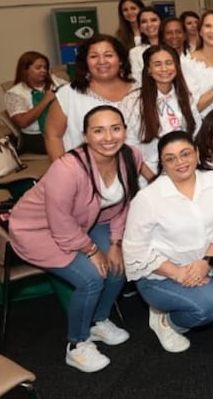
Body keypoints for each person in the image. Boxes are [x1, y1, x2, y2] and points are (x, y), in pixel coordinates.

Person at [8, 105, 140, 372]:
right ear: (85, 136)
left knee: (119, 266)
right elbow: (59, 222)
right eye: (98, 130)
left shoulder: (130, 156)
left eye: (115, 128)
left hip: (86, 221)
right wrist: (92, 250)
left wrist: (115, 243)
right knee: (91, 279)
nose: (108, 137)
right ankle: (76, 344)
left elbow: (123, 204)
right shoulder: (67, 168)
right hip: (39, 229)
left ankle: (99, 321)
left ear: (125, 131)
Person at [124, 131, 213, 353]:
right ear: (162, 164)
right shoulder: (148, 198)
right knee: (212, 306)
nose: (180, 162)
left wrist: (206, 263)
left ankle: (194, 299)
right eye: (170, 158)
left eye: (185, 154)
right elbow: (134, 251)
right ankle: (165, 322)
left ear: (196, 154)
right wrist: (180, 273)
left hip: (209, 266)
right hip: (163, 274)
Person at [45, 35, 136, 161]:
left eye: (108, 55)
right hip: (83, 174)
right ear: (86, 63)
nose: (102, 61)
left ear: (120, 60)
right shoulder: (68, 94)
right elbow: (53, 136)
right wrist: (63, 171)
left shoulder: (140, 91)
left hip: (139, 174)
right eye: (94, 56)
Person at [120, 45, 198, 179]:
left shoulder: (186, 97)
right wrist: (152, 179)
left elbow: (196, 134)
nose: (164, 69)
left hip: (184, 170)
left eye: (169, 63)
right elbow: (129, 147)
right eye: (157, 64)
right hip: (149, 175)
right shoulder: (133, 102)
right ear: (149, 70)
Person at [5, 51, 68, 155]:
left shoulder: (54, 82)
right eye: (38, 68)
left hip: (62, 129)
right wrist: (45, 100)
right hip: (37, 137)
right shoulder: (15, 93)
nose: (43, 71)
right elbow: (22, 122)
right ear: (25, 70)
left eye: (45, 67)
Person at [128, 8, 163, 82]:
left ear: (162, 23)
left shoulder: (173, 46)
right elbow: (137, 79)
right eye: (144, 22)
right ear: (140, 27)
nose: (149, 24)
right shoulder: (134, 52)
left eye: (153, 20)